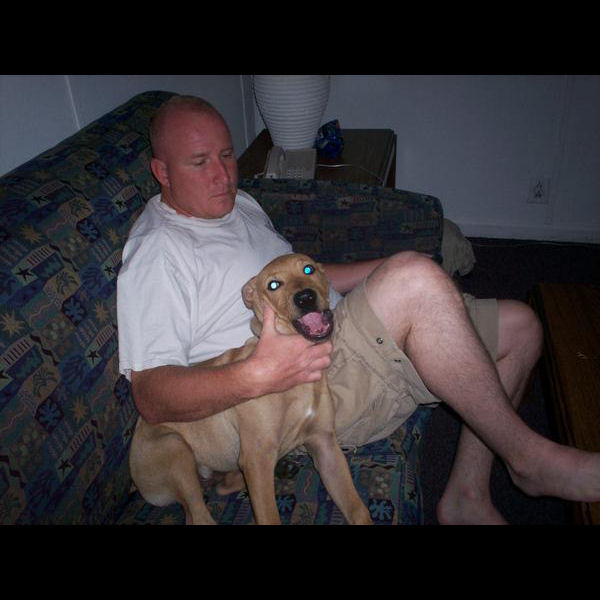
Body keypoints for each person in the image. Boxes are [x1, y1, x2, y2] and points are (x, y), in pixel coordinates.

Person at [117, 95, 600, 525]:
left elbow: (308, 278)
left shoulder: (237, 203)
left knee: (521, 328)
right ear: (163, 172)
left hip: (338, 331)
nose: (223, 175)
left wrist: (387, 268)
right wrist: (259, 374)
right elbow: (152, 397)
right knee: (414, 279)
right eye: (200, 162)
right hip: (297, 382)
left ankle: (467, 496)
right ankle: (528, 459)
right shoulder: (159, 252)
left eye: (226, 155)